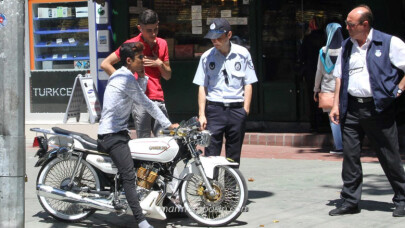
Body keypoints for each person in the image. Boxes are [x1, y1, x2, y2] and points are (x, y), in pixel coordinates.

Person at [329, 5, 405, 217]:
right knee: (350, 157)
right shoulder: (347, 45)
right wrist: (335, 104)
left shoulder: (389, 42)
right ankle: (350, 200)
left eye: (351, 24)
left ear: (365, 24)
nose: (347, 27)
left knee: (388, 156)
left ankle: (402, 198)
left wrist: (397, 90)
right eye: (346, 23)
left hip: (378, 108)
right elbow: (339, 76)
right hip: (351, 107)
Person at [97, 42, 178, 228]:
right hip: (111, 136)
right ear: (128, 60)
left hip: (120, 133)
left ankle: (164, 205)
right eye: (140, 58)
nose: (144, 60)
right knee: (129, 176)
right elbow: (147, 102)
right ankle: (141, 221)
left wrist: (142, 76)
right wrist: (168, 125)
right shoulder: (124, 78)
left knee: (148, 165)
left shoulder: (126, 76)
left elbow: (139, 93)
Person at [192, 18, 258, 166]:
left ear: (229, 35)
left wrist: (245, 110)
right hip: (215, 109)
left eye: (219, 37)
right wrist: (202, 114)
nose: (215, 41)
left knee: (233, 156)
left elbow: (248, 83)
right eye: (212, 38)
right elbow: (202, 86)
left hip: (236, 109)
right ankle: (212, 186)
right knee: (211, 154)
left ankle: (231, 187)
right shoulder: (206, 57)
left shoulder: (243, 54)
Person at [101, 9, 171, 138]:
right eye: (149, 30)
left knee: (166, 141)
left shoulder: (162, 44)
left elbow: (167, 75)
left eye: (156, 29)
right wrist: (124, 82)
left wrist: (159, 64)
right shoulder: (131, 45)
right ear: (140, 28)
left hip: (158, 98)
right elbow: (105, 64)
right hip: (140, 99)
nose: (153, 34)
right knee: (143, 143)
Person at [313, 23, 344, 154]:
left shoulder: (323, 51)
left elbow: (319, 71)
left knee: (334, 119)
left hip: (327, 88)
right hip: (343, 88)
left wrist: (316, 89)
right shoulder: (345, 48)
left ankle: (339, 146)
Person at [300, 16, 327, 132]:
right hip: (326, 71)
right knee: (326, 95)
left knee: (313, 98)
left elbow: (301, 55)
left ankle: (314, 124)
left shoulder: (308, 38)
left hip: (311, 71)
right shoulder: (326, 38)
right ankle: (326, 122)